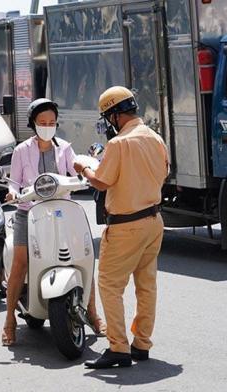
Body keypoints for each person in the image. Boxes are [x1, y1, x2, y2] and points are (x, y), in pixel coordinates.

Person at [76, 87, 168, 369]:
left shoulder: (118, 144)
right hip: (154, 221)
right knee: (146, 285)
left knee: (109, 285)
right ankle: (142, 343)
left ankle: (118, 347)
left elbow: (101, 182)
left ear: (114, 115)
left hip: (126, 225)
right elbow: (163, 172)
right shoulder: (154, 137)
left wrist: (84, 167)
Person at [1, 98, 106, 346]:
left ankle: (92, 312)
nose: (47, 126)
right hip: (29, 212)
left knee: (84, 256)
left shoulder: (65, 148)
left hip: (62, 209)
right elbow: (14, 182)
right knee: (19, 264)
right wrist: (13, 193)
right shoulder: (21, 150)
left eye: (52, 122)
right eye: (42, 122)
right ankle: (8, 321)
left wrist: (88, 170)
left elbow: (76, 168)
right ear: (33, 124)